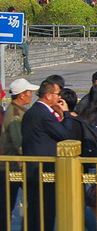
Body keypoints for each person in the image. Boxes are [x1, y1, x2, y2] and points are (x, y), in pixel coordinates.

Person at [21, 78, 74, 231]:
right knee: (46, 210)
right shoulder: (44, 114)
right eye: (58, 94)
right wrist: (66, 114)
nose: (60, 98)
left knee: (34, 209)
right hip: (44, 169)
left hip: (32, 167)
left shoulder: (32, 112)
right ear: (49, 95)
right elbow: (64, 134)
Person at [0, 78, 39, 226]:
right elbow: (18, 142)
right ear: (21, 95)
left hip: (17, 165)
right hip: (12, 166)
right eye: (29, 92)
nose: (31, 95)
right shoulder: (15, 114)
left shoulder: (20, 110)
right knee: (7, 204)